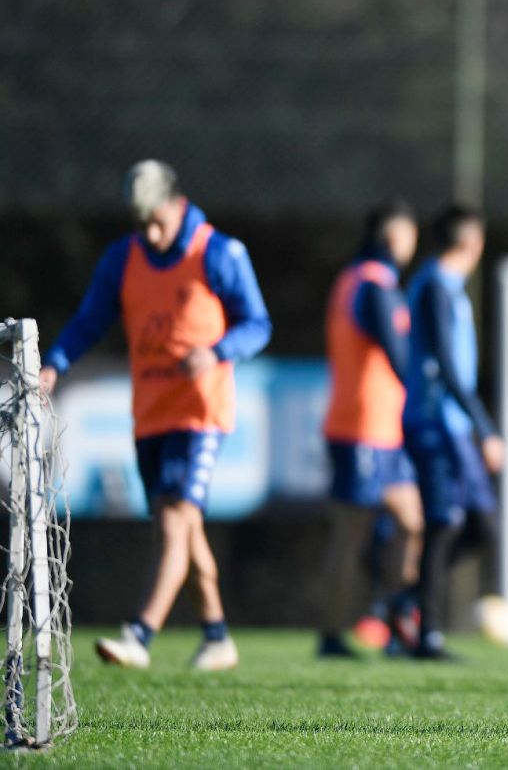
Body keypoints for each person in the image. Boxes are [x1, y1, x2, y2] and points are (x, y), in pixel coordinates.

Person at [40, 160, 271, 670]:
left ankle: (140, 635)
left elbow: (258, 324)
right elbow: (90, 320)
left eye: (157, 221)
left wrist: (217, 351)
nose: (150, 233)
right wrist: (55, 362)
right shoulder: (123, 259)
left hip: (201, 412)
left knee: (174, 522)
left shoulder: (218, 252)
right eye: (141, 223)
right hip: (151, 414)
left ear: (177, 203)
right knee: (185, 529)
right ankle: (217, 637)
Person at [319, 198, 424, 657]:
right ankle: (330, 635)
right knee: (351, 536)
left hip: (385, 431)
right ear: (394, 235)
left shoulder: (356, 279)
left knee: (412, 522)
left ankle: (393, 619)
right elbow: (399, 358)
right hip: (360, 429)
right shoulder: (373, 285)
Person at [402, 205, 505, 660]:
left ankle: (405, 602)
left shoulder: (444, 286)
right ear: (472, 243)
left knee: (480, 524)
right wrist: (486, 428)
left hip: (452, 426)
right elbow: (445, 364)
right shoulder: (435, 287)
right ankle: (426, 633)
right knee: (445, 522)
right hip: (436, 423)